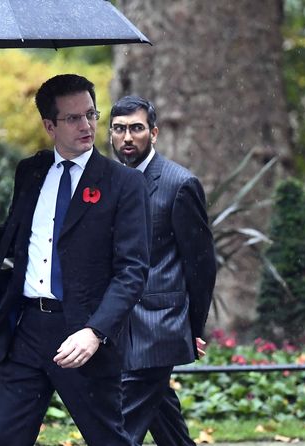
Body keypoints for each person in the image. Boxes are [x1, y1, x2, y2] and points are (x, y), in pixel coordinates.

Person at [0, 75, 151, 446]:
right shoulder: (31, 171)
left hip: (83, 333)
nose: (86, 125)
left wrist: (95, 332)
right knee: (5, 439)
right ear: (49, 126)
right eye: (73, 118)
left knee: (108, 439)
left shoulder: (123, 183)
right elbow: (19, 243)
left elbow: (133, 271)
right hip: (25, 329)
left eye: (91, 114)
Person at [110, 96, 217, 446]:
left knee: (118, 426)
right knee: (161, 412)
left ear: (153, 133)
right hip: (115, 323)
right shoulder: (104, 180)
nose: (128, 137)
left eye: (136, 129)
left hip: (159, 325)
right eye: (119, 129)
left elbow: (200, 265)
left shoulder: (179, 184)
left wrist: (193, 327)